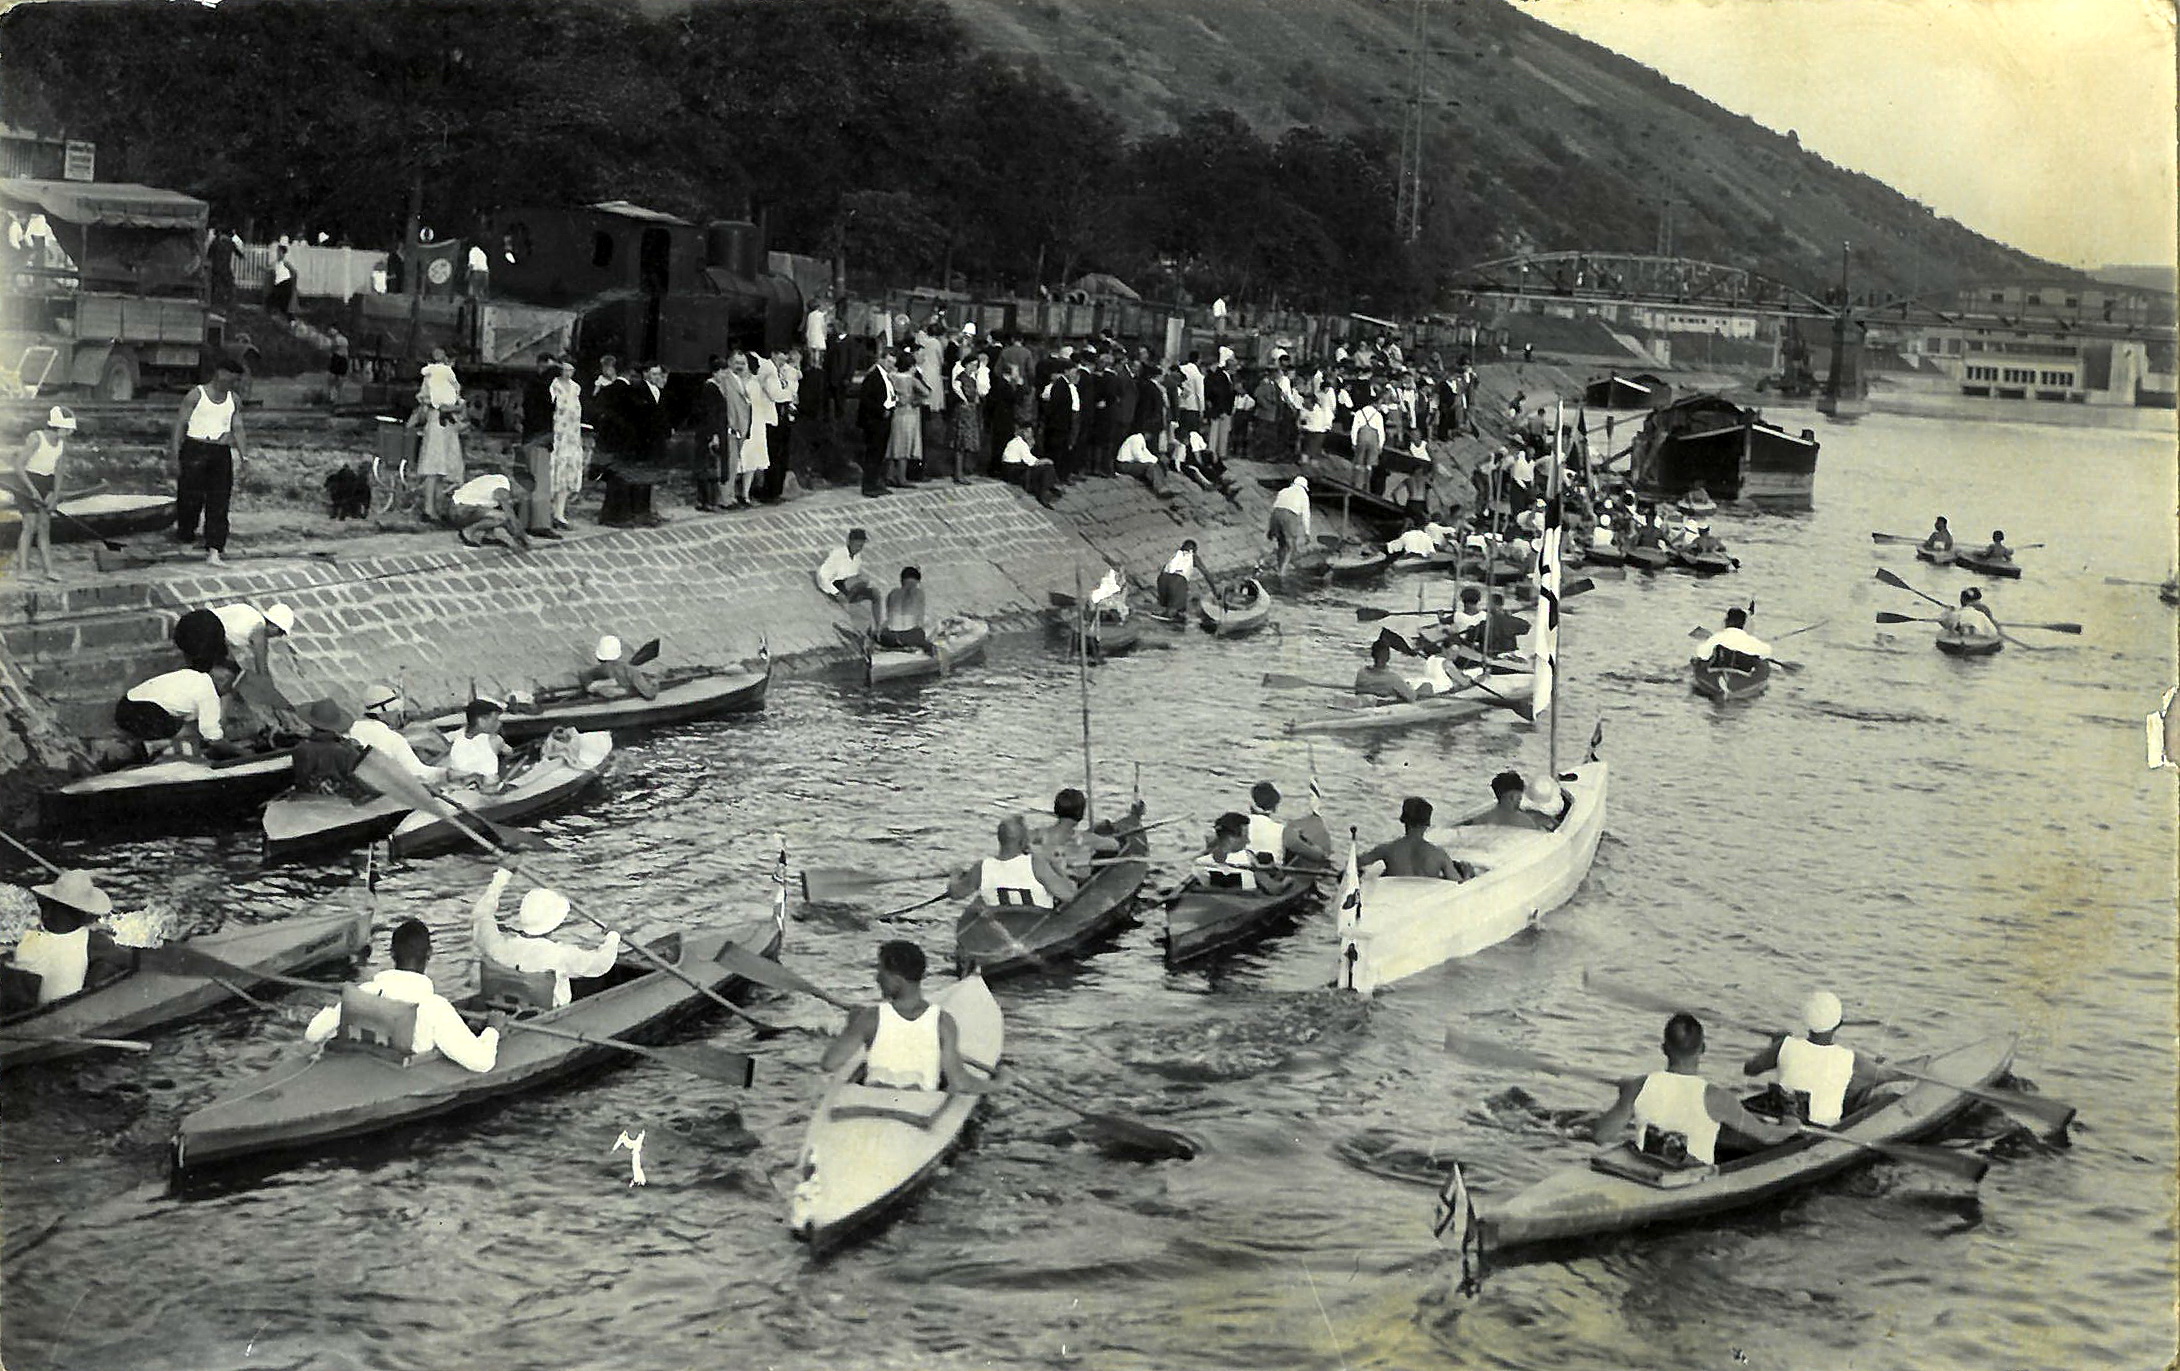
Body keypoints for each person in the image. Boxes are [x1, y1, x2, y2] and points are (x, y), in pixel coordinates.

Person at [1592, 1013, 1799, 1166]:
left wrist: (1625, 1097)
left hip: (1643, 1169)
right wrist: (1790, 1125)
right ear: (1703, 1049)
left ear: (1664, 1049)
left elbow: (1601, 1135)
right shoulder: (1717, 1099)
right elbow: (1767, 1136)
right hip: (1689, 1176)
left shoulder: (1637, 1086)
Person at [303, 918, 500, 1073]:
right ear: (429, 953)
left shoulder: (366, 992)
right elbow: (482, 1063)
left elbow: (312, 1034)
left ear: (391, 953)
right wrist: (493, 1028)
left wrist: (337, 1008)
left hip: (365, 1067)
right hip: (405, 1072)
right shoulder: (434, 1007)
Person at [818, 939, 998, 1098]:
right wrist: (1000, 1083)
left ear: (897, 979)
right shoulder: (943, 1022)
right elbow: (960, 1083)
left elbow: (829, 1064)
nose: (877, 978)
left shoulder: (870, 1018)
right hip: (921, 1104)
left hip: (873, 1099)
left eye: (881, 971)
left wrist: (851, 1026)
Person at [471, 868, 620, 1008]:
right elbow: (601, 964)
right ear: (554, 925)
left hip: (499, 1007)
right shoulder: (560, 955)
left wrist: (503, 874)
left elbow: (482, 913)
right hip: (551, 1013)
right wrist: (613, 936)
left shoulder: (497, 945)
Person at [1742, 991, 1870, 1128]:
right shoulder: (1852, 1058)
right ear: (1839, 1024)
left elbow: (1750, 1069)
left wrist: (1775, 1046)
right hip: (1821, 1130)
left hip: (1782, 1124)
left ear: (1805, 1020)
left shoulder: (1784, 1045)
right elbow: (1883, 1076)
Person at [168, 357, 249, 565]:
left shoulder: (234, 399)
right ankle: (186, 536)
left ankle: (214, 549)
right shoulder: (196, 395)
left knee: (219, 501)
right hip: (194, 450)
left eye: (236, 380)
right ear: (220, 373)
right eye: (231, 378)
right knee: (189, 499)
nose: (233, 383)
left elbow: (237, 428)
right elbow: (180, 425)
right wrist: (174, 456)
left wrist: (244, 456)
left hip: (220, 453)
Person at [5, 870, 118, 1007]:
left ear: (49, 907)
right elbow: (129, 959)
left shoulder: (27, 935)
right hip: (66, 1013)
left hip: (35, 1011)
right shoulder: (95, 943)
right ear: (83, 913)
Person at [949, 816, 1079, 912]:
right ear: (1024, 841)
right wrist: (1059, 869)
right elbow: (1069, 895)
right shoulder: (1036, 864)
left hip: (1002, 922)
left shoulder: (981, 868)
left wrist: (955, 875)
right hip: (1035, 922)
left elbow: (956, 893)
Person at [116, 659, 238, 758]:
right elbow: (214, 739)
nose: (230, 690)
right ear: (224, 680)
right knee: (193, 732)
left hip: (125, 705)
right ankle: (152, 747)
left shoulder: (192, 674)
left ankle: (149, 746)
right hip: (144, 711)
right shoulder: (208, 693)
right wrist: (243, 753)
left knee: (189, 726)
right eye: (230, 685)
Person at [9, 405, 74, 582]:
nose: (69, 433)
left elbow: (59, 471)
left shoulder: (62, 445)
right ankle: (23, 571)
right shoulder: (36, 439)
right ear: (56, 426)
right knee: (29, 525)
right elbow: (18, 466)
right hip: (26, 482)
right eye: (67, 429)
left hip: (46, 483)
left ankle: (49, 570)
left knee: (45, 527)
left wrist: (55, 495)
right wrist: (32, 491)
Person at [348, 683, 447, 785]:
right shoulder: (394, 739)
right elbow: (418, 772)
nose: (398, 714)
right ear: (384, 712)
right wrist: (447, 773)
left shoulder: (355, 728)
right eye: (395, 711)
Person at [1359, 797, 1470, 881]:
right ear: (1426, 825)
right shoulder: (1439, 855)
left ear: (1404, 821)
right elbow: (1458, 885)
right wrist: (1467, 874)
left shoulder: (1387, 850)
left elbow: (1358, 862)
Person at [1191, 812, 1298, 896]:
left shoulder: (1200, 862)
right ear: (1232, 838)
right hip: (1246, 901)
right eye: (1245, 836)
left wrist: (1263, 867)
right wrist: (1287, 881)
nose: (1248, 841)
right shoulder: (1246, 859)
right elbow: (1274, 889)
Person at [1030, 787, 1124, 881]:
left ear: (1056, 810)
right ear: (1081, 814)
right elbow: (1115, 845)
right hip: (1074, 883)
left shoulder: (1038, 834)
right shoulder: (1085, 838)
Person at [404, 383, 465, 521]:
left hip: (447, 428)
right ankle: (429, 509)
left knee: (442, 470)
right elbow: (440, 405)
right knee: (433, 468)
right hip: (437, 426)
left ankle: (439, 507)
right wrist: (458, 407)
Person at [694, 354, 745, 513]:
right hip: (711, 432)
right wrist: (714, 435)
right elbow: (710, 414)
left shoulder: (717, 387)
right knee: (709, 467)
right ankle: (707, 501)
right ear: (715, 372)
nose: (724, 375)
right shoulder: (710, 388)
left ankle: (711, 500)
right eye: (722, 372)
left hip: (719, 430)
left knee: (715, 466)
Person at [290, 698, 369, 797]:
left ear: (311, 723)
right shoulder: (347, 749)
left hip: (309, 800)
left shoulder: (301, 748)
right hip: (342, 801)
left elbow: (301, 779)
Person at [1247, 781, 1332, 868]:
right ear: (1275, 808)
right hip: (1272, 875)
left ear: (1250, 805)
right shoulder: (1283, 831)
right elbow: (1319, 856)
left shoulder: (1238, 824)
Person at [210, 601, 297, 678]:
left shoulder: (252, 615)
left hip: (212, 633)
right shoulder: (259, 629)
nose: (279, 636)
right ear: (274, 626)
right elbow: (262, 667)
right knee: (228, 676)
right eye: (280, 632)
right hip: (206, 635)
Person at [547, 359, 585, 529]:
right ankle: (547, 513)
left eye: (571, 369)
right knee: (553, 472)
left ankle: (560, 513)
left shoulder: (576, 387)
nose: (567, 373)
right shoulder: (554, 386)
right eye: (565, 369)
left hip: (572, 436)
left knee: (567, 474)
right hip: (558, 435)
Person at [816, 528, 881, 626]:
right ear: (850, 542)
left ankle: (877, 626)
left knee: (875, 593)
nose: (859, 548)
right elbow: (822, 576)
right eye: (857, 545)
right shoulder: (837, 554)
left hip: (850, 587)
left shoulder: (857, 558)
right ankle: (855, 621)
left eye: (861, 546)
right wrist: (836, 593)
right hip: (837, 587)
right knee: (859, 608)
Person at [445, 698, 512, 789]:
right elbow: (509, 753)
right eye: (495, 720)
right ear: (481, 720)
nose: (499, 724)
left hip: (459, 789)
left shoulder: (453, 738)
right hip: (487, 791)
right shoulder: (495, 740)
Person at [857, 351, 898, 498]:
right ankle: (869, 485)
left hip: (884, 420)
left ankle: (876, 482)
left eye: (893, 363)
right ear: (881, 360)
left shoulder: (886, 377)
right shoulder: (873, 376)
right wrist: (881, 410)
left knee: (880, 453)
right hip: (874, 421)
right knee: (873, 453)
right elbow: (866, 399)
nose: (891, 365)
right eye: (888, 362)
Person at [579, 635, 659, 700]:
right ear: (619, 654)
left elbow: (583, 675)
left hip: (607, 691)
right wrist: (654, 683)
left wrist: (593, 686)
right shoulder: (631, 671)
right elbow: (650, 694)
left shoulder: (601, 669)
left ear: (599, 658)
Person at [1468, 770, 1551, 831]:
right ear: (1513, 797)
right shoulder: (1525, 822)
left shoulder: (1480, 820)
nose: (1520, 799)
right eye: (1520, 796)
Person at [877, 566, 935, 653]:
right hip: (911, 638)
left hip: (891, 638)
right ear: (918, 581)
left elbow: (889, 615)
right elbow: (920, 621)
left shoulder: (892, 593)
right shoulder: (919, 593)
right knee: (925, 629)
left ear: (901, 580)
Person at [1694, 607, 1771, 670]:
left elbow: (1702, 654)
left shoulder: (1716, 638)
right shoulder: (1752, 641)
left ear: (1726, 622)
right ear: (1743, 624)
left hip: (1719, 671)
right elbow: (1767, 651)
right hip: (1743, 674)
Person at [998, 429, 1059, 507]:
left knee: (1044, 468)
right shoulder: (1021, 443)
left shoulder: (1014, 441)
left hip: (1008, 469)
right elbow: (1031, 461)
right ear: (1023, 432)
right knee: (1048, 467)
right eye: (1028, 432)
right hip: (1013, 471)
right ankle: (1044, 494)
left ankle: (1047, 489)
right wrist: (1046, 460)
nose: (1030, 434)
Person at [1354, 637, 1419, 702]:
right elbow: (1412, 697)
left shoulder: (1361, 673)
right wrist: (1408, 686)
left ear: (1372, 654)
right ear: (1388, 656)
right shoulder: (1393, 678)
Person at [1269, 476, 1312, 573]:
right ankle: (1282, 572)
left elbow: (1274, 507)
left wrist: (1271, 527)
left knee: (1281, 544)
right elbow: (1306, 515)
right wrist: (1307, 533)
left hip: (1276, 514)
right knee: (1290, 546)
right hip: (1290, 515)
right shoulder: (1303, 495)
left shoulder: (1283, 491)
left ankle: (1279, 567)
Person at [1157, 540, 1202, 616]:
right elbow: (1207, 574)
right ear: (1194, 550)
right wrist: (1215, 591)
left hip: (1162, 579)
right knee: (1174, 607)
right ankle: (1170, 617)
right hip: (1178, 580)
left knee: (1175, 605)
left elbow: (1164, 569)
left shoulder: (1175, 555)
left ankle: (1172, 615)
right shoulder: (1193, 557)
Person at [266, 243, 296, 318]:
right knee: (270, 300)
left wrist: (291, 283)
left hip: (286, 285)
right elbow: (269, 269)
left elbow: (294, 273)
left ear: (283, 253)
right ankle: (271, 317)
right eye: (277, 252)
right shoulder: (275, 263)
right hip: (278, 286)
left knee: (284, 306)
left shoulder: (286, 263)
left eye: (280, 252)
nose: (278, 254)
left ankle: (291, 321)